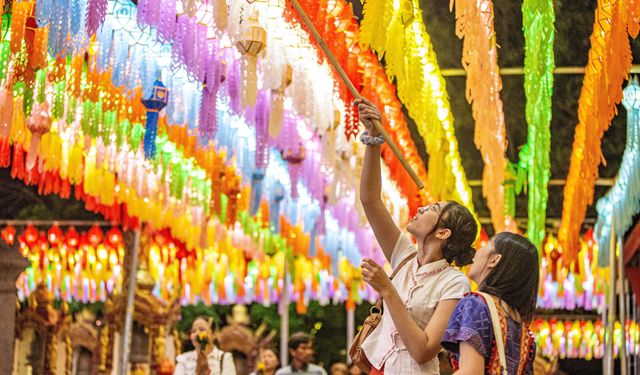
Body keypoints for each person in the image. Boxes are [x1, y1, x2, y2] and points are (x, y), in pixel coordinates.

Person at [354, 97, 478, 375]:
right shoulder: (405, 256)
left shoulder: (455, 282)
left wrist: (387, 289)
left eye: (433, 209)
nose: (421, 208)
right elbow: (370, 199)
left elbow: (423, 350)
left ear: (444, 232)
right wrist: (374, 140)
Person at [441, 233, 539, 374]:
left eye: (487, 244)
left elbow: (470, 372)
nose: (478, 250)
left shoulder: (476, 304)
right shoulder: (523, 331)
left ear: (494, 260)